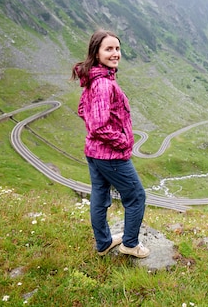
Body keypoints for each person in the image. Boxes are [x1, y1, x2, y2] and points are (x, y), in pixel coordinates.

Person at [71, 29, 150, 258]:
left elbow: (82, 110)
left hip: (94, 152)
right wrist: (123, 141)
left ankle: (104, 243)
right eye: (109, 49)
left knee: (99, 195)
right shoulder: (104, 84)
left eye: (117, 49)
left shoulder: (95, 79)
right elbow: (98, 126)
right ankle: (130, 244)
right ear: (96, 53)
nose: (115, 53)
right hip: (111, 155)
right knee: (136, 196)